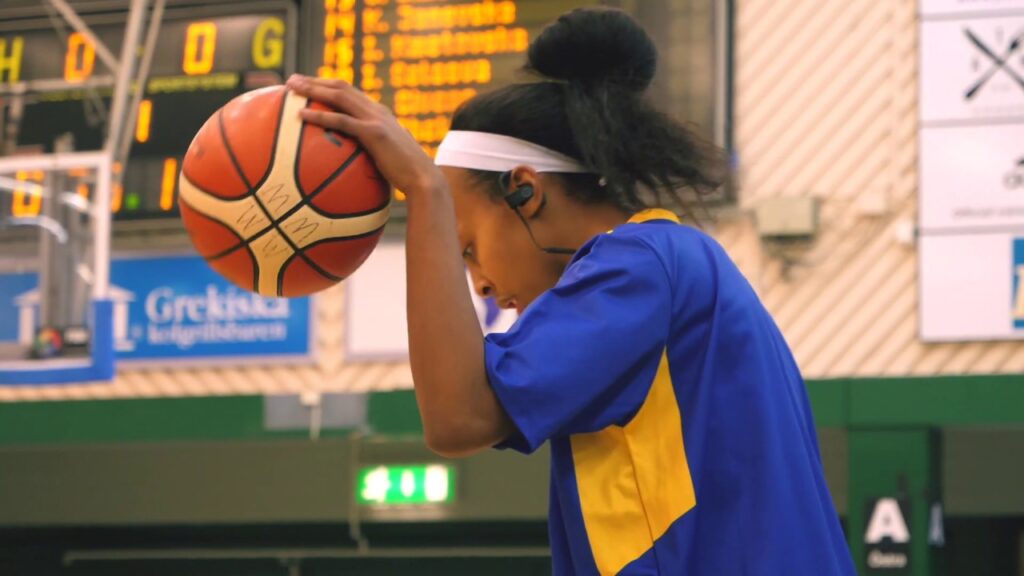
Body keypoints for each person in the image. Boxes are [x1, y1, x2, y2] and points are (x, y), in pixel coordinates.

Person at [287, 7, 855, 575]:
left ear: (525, 191)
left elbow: (459, 417)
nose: (479, 284)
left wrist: (424, 189)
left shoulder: (641, 265)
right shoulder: (678, 264)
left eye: (469, 247)